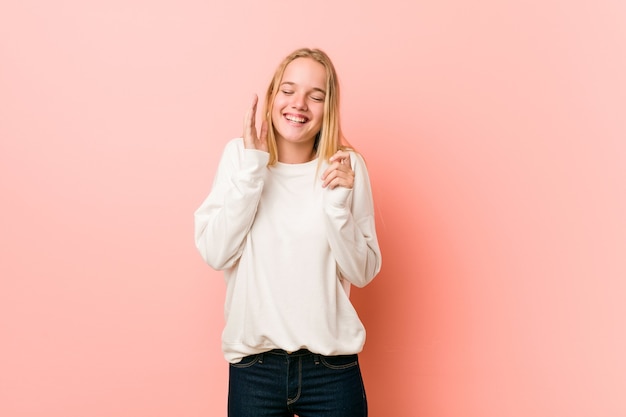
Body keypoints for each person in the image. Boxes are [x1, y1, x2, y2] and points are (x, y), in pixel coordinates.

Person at [194, 47, 382, 417]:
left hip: (330, 370)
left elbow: (363, 271)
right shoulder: (239, 156)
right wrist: (253, 169)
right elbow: (216, 253)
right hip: (255, 370)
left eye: (316, 96)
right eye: (288, 90)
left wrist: (337, 207)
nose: (299, 104)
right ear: (272, 96)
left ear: (329, 108)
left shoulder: (346, 166)